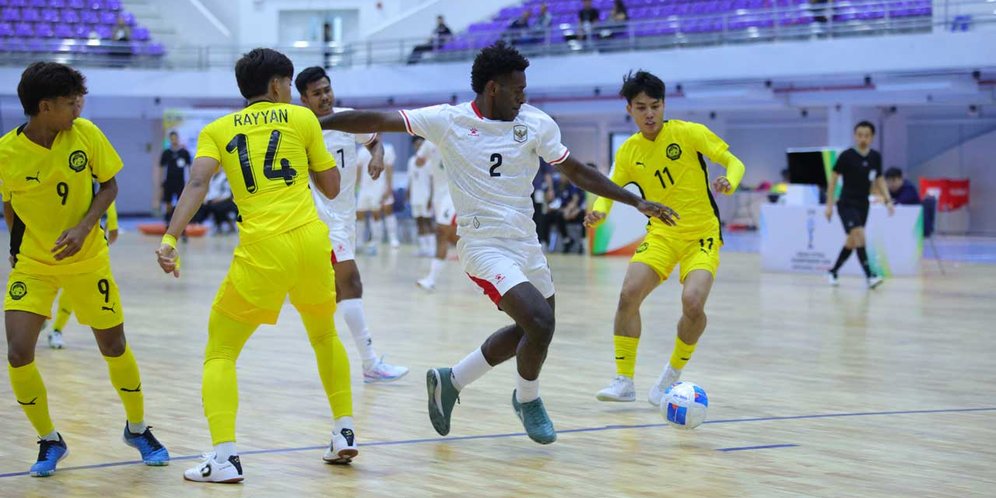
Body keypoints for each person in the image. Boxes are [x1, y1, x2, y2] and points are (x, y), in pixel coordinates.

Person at [317, 41, 676, 444]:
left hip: (526, 243)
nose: (523, 97)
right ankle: (528, 400)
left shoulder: (535, 123)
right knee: (538, 321)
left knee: (535, 328)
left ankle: (451, 380)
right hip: (482, 245)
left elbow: (576, 171)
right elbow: (379, 117)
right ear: (492, 88)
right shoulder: (447, 120)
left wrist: (635, 200)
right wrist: (319, 123)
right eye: (517, 90)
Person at [155, 48, 355, 483]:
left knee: (220, 351)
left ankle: (224, 457)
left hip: (263, 249)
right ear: (277, 86)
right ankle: (343, 431)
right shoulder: (302, 120)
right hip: (310, 241)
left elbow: (197, 184)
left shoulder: (216, 129)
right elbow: (332, 188)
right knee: (324, 334)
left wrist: (171, 238)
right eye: (288, 83)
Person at [1, 62, 169, 477]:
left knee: (113, 346)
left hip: (88, 259)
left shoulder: (87, 134)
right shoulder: (6, 153)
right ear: (45, 107)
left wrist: (82, 227)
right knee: (19, 352)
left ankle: (138, 428)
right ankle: (50, 439)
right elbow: (8, 203)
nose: (79, 108)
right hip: (34, 265)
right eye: (71, 102)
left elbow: (109, 186)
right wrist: (17, 244)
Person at [589, 70, 745, 405]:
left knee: (693, 303)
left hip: (701, 234)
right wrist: (600, 210)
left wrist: (729, 180)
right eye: (641, 107)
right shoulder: (629, 151)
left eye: (655, 106)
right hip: (662, 233)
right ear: (630, 109)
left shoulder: (689, 134)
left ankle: (669, 377)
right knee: (628, 294)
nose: (649, 114)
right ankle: (624, 380)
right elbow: (612, 188)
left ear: (663, 106)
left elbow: (733, 161)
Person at [295, 66, 409, 382]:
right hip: (320, 220)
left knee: (331, 294)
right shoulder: (300, 128)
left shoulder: (348, 118)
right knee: (351, 284)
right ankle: (370, 362)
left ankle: (333, 359)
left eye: (327, 89)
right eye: (316, 93)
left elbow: (374, 140)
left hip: (345, 217)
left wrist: (377, 156)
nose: (325, 97)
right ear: (304, 98)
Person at [825, 121, 893, 288]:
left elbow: (879, 179)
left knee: (852, 241)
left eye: (867, 135)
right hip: (846, 203)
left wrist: (888, 200)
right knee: (859, 234)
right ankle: (870, 276)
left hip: (863, 204)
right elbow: (832, 180)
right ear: (855, 136)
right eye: (860, 135)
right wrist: (829, 205)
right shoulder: (846, 156)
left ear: (872, 137)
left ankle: (833, 271)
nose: (863, 138)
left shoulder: (875, 157)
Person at [47, 201, 119, 349]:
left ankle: (57, 329)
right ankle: (37, 315)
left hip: (82, 235)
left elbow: (107, 186)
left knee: (72, 288)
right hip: (48, 233)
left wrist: (113, 223)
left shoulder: (89, 179)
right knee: (46, 281)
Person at [414, 134, 458, 291]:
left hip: (454, 193)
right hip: (439, 195)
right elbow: (419, 162)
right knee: (455, 237)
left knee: (442, 233)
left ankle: (431, 279)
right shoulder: (429, 142)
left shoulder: (458, 137)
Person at [356, 141, 400, 252]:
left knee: (379, 212)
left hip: (380, 186)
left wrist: (389, 188)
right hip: (364, 188)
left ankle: (384, 240)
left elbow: (389, 170)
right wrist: (356, 188)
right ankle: (359, 241)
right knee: (360, 213)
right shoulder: (361, 151)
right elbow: (359, 171)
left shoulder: (388, 148)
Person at [408, 136, 436, 257]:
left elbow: (433, 182)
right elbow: (410, 180)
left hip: (426, 196)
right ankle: (423, 248)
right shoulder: (411, 161)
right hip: (415, 196)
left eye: (421, 144)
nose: (419, 146)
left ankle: (432, 248)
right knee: (418, 221)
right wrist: (408, 193)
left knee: (428, 222)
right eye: (417, 144)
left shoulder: (430, 161)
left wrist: (431, 198)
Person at [160, 130, 191, 223]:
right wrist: (160, 182)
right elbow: (161, 167)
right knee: (168, 202)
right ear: (170, 140)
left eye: (175, 138)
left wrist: (190, 181)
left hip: (180, 181)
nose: (174, 140)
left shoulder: (184, 152)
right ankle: (168, 220)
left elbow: (189, 167)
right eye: (172, 139)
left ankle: (180, 222)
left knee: (181, 203)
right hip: (169, 181)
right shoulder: (166, 153)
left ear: (178, 139)